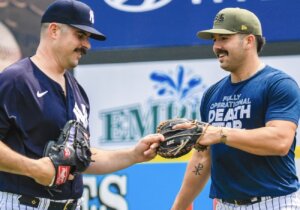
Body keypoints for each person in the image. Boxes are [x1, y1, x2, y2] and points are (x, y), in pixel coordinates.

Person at [0, 0, 164, 209]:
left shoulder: (77, 91)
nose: (87, 45)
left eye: (88, 38)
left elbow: (80, 157)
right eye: (80, 35)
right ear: (54, 30)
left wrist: (133, 155)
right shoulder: (16, 80)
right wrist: (34, 168)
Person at [171, 7, 300, 210]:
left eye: (224, 38)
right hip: (225, 205)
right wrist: (180, 206)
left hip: (275, 203)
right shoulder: (212, 94)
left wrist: (219, 133)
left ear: (249, 41)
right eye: (214, 39)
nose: (216, 46)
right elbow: (202, 156)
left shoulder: (278, 84)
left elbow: (280, 141)